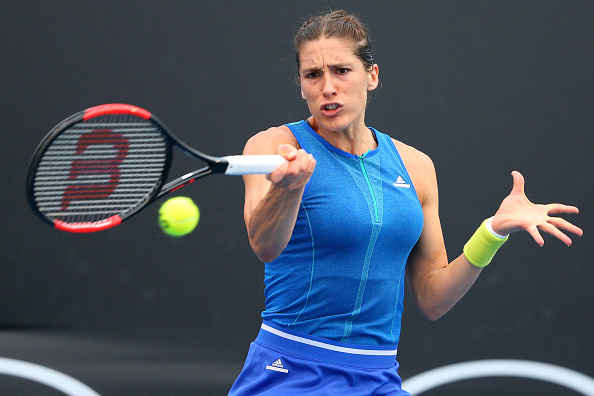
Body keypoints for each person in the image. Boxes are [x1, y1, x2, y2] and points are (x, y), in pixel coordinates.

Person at [228, 10, 582, 396]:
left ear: (372, 76)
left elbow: (432, 298)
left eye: (342, 71)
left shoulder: (415, 165)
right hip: (291, 371)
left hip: (378, 378)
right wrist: (288, 189)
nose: (328, 87)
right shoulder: (275, 148)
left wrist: (492, 232)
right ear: (301, 86)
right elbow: (264, 244)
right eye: (313, 75)